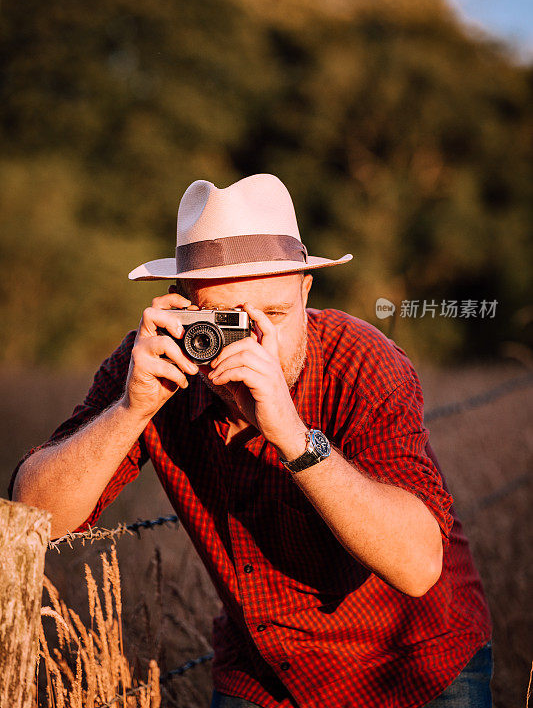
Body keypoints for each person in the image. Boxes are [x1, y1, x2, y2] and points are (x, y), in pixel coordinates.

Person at [10, 174, 492, 708]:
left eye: (276, 315)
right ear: (182, 306)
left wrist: (291, 434)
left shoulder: (362, 362)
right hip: (266, 670)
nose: (255, 340)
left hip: (413, 664)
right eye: (227, 321)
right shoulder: (154, 363)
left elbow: (419, 566)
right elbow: (34, 518)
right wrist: (132, 408)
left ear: (306, 288)